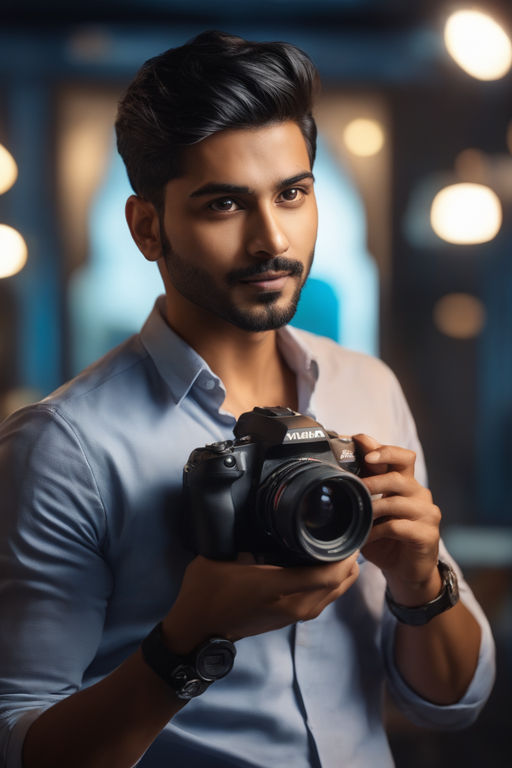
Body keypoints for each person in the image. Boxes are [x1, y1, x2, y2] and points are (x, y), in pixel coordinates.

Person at [0, 30, 495, 768]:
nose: (272, 240)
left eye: (292, 194)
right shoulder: (65, 447)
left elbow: (452, 701)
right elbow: (23, 749)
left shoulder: (368, 386)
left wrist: (420, 580)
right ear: (147, 228)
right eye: (225, 204)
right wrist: (186, 642)